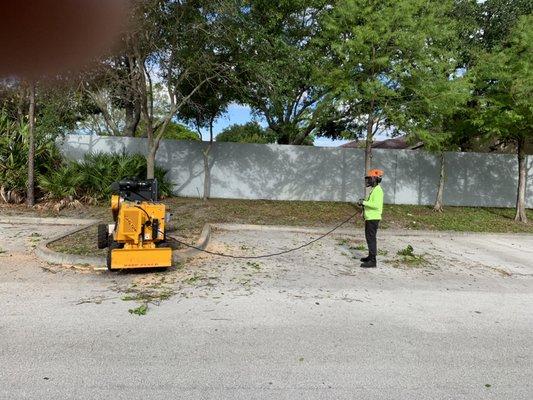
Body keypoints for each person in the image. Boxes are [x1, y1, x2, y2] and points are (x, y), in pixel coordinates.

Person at [357, 169, 384, 268]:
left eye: (370, 178)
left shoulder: (378, 191)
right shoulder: (374, 190)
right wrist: (364, 202)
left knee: (371, 239)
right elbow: (372, 203)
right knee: (369, 238)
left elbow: (376, 205)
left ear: (375, 179)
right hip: (370, 218)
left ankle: (373, 261)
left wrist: (363, 202)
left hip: (373, 219)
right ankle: (370, 256)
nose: (368, 181)